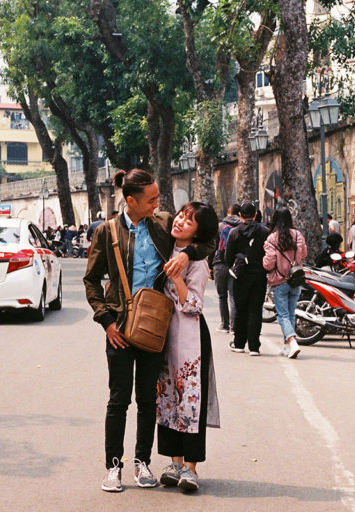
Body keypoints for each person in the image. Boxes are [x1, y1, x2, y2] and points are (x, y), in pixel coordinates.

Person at [83, 168, 214, 493]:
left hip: (156, 328)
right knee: (118, 400)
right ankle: (114, 466)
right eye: (152, 199)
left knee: (147, 400)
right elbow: (91, 280)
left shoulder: (161, 225)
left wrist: (185, 255)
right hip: (121, 327)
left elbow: (208, 240)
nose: (158, 204)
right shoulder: (107, 231)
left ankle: (142, 463)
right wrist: (106, 321)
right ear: (131, 200)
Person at [156, 201, 220, 492]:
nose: (180, 221)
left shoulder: (198, 261)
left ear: (198, 233)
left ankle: (191, 469)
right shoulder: (165, 247)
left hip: (190, 338)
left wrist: (178, 279)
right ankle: (175, 463)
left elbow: (194, 306)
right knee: (167, 398)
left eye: (189, 221)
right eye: (181, 215)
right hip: (164, 336)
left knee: (190, 402)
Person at [224, 201, 270, 355]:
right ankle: (254, 346)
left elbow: (228, 257)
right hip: (259, 275)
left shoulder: (234, 233)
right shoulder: (265, 232)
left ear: (240, 215)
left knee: (241, 309)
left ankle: (238, 343)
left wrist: (235, 266)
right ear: (255, 214)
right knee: (255, 310)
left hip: (240, 276)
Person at [263, 207, 307, 359]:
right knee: (290, 313)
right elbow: (304, 253)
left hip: (279, 280)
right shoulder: (298, 235)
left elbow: (268, 263)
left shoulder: (272, 238)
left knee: (282, 315)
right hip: (296, 279)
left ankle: (292, 342)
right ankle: (287, 347)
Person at [210, 203, 241, 334]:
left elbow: (213, 247)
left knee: (222, 297)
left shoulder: (220, 226)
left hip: (219, 264)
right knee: (233, 297)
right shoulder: (241, 227)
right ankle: (234, 327)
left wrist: (210, 265)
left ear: (229, 212)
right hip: (234, 265)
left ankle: (225, 325)